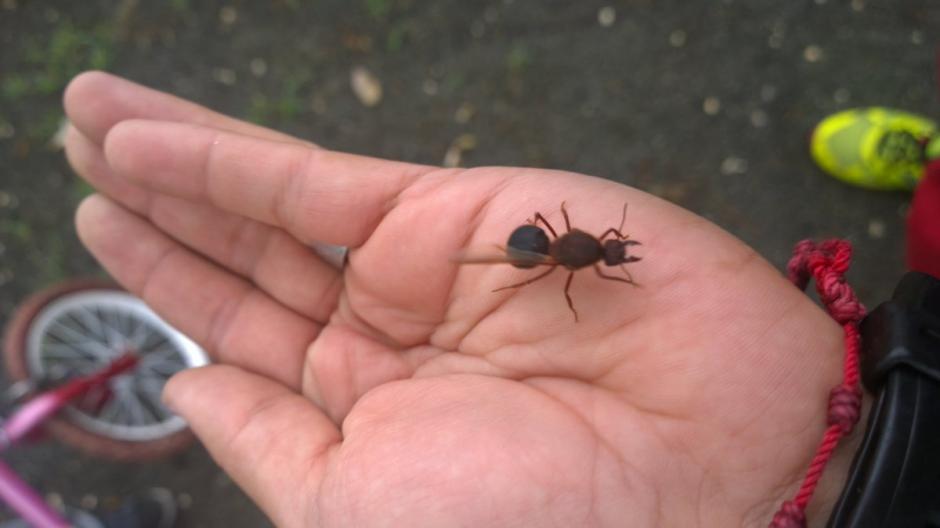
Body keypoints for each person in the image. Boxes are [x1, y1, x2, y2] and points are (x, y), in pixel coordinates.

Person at [63, 71, 858, 527]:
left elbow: (574, 247)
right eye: (617, 251)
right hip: (535, 249)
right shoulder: (576, 261)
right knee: (539, 265)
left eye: (616, 253)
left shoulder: (582, 255)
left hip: (540, 247)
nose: (617, 253)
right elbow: (569, 251)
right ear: (601, 249)